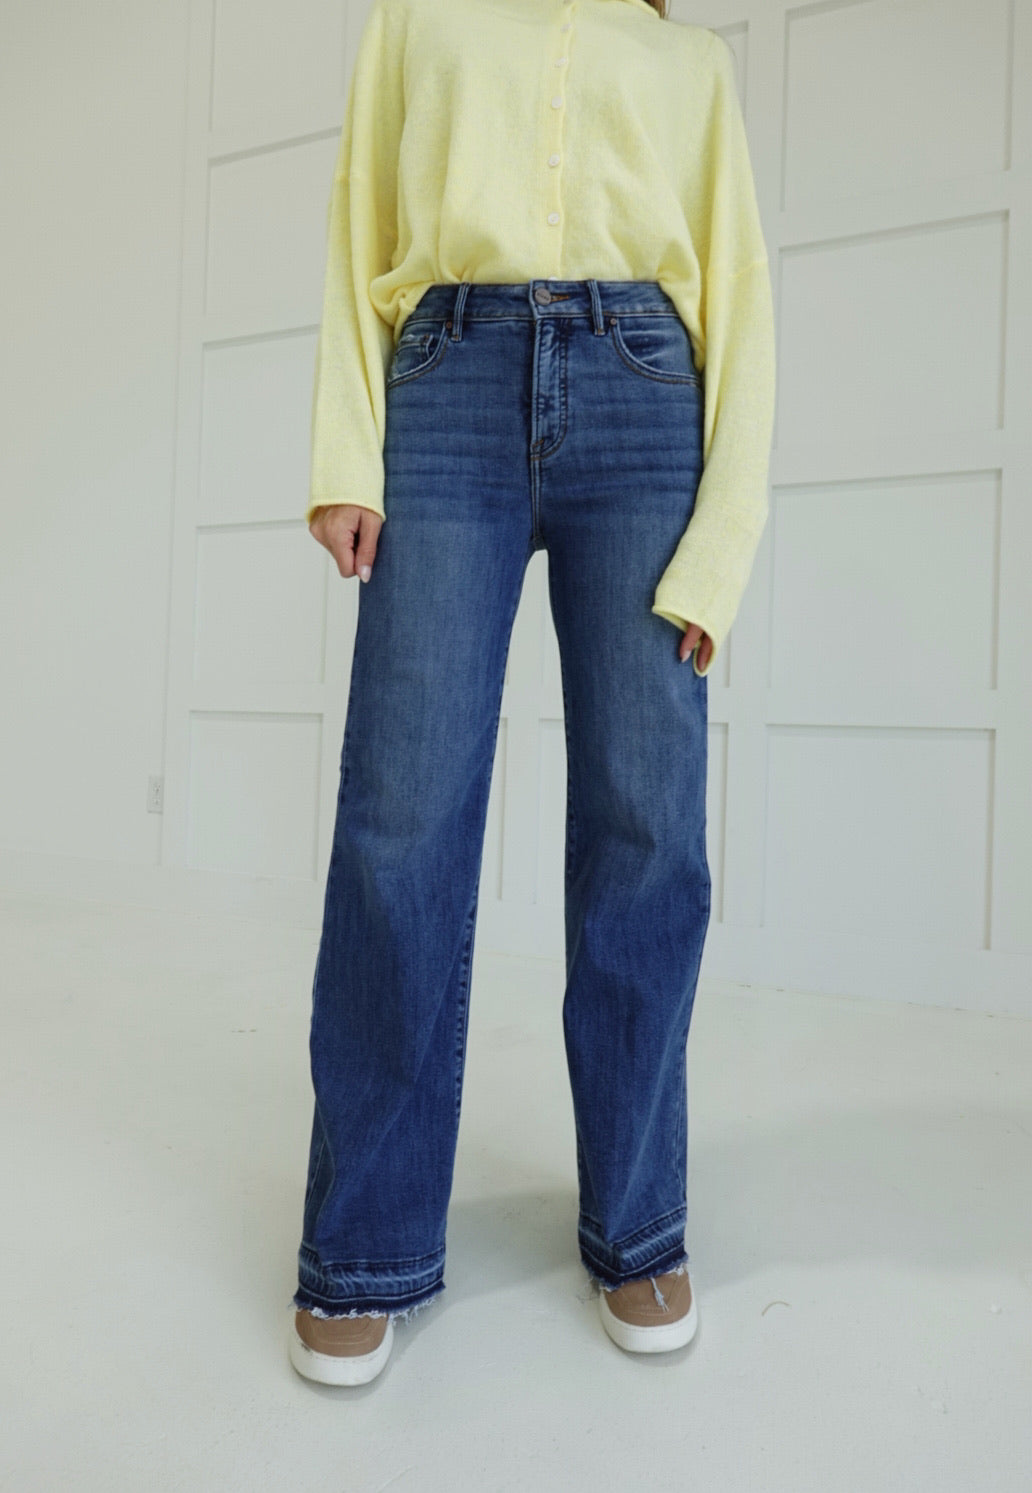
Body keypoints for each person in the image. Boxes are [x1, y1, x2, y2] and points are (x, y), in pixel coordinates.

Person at [288, 0, 775, 1387]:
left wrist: (721, 549)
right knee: (402, 819)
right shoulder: (418, 18)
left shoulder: (689, 59)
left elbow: (739, 291)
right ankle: (365, 1243)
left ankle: (640, 1223)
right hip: (445, 384)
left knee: (647, 826)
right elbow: (358, 219)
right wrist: (346, 456)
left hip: (644, 395)